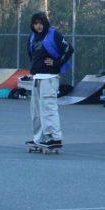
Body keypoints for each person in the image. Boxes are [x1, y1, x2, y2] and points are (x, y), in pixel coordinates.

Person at [26, 11, 74, 149]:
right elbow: (31, 55)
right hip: (37, 77)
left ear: (45, 23)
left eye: (40, 23)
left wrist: (56, 62)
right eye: (35, 23)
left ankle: (54, 138)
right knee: (36, 111)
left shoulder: (54, 34)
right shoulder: (32, 37)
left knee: (48, 108)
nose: (38, 26)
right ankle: (39, 138)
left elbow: (69, 49)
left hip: (50, 78)